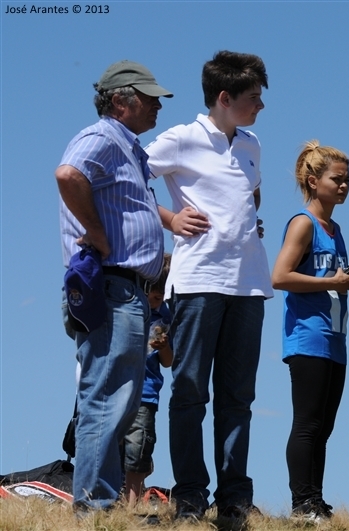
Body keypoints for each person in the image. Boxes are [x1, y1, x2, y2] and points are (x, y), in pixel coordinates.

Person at [144, 50, 272, 520]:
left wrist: (245, 225)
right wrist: (170, 218)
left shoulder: (252, 144)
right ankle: (190, 497)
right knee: (190, 392)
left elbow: (247, 197)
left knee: (238, 398)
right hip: (198, 282)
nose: (261, 105)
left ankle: (234, 498)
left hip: (249, 285)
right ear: (224, 97)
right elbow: (128, 177)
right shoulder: (182, 139)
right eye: (253, 97)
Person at [55, 59, 171, 511]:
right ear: (121, 101)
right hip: (113, 285)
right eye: (149, 97)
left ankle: (100, 503)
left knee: (117, 399)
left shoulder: (127, 147)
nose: (158, 105)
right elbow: (69, 174)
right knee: (107, 396)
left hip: (126, 289)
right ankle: (95, 508)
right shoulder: (103, 137)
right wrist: (96, 233)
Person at [271, 141, 349, 522]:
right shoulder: (303, 223)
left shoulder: (334, 229)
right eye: (336, 179)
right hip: (308, 336)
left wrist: (343, 281)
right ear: (313, 181)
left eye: (347, 180)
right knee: (308, 423)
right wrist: (331, 283)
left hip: (335, 339)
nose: (343, 186)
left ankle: (316, 499)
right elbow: (280, 276)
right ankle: (302, 502)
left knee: (324, 426)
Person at [123, 253, 174, 507]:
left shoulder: (165, 316)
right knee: (115, 446)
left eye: (161, 298)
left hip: (147, 393)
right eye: (153, 297)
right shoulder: (128, 308)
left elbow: (168, 361)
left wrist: (163, 347)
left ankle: (131, 505)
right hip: (120, 388)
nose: (156, 303)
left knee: (138, 447)